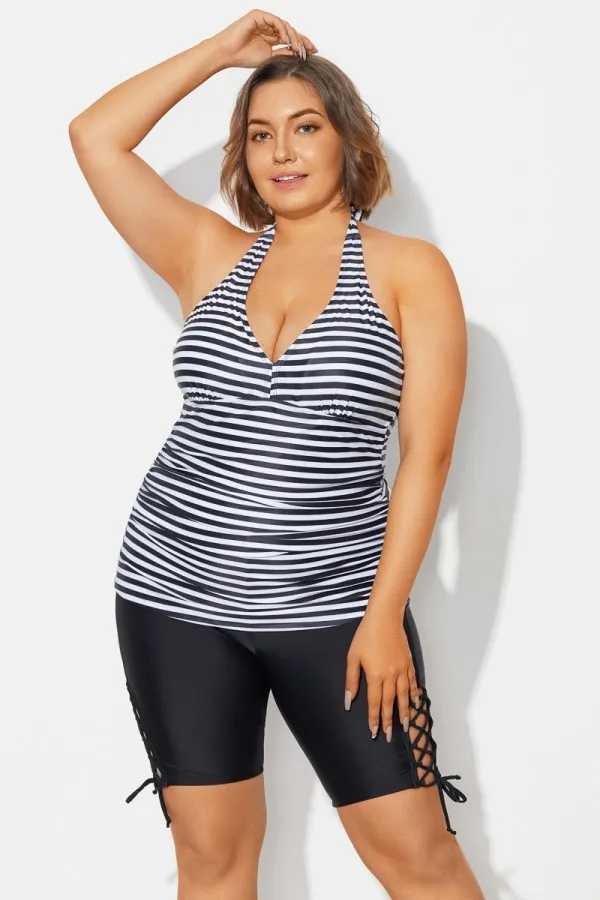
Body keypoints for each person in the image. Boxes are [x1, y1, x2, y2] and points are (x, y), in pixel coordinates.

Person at [69, 9, 484, 899]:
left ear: (347, 141)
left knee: (420, 863)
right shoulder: (206, 253)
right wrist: (224, 52)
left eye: (305, 127)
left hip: (336, 608)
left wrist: (384, 616)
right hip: (175, 596)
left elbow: (427, 456)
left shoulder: (409, 271)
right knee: (212, 865)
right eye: (260, 134)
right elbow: (95, 138)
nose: (282, 152)